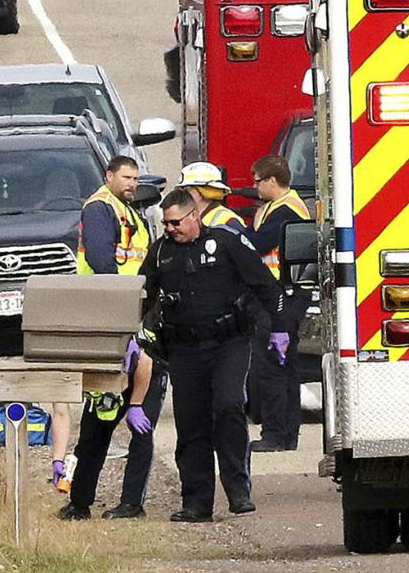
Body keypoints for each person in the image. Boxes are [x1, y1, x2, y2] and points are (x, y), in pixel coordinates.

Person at [136, 188, 288, 522]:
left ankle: (238, 490)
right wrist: (132, 335)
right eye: (166, 223)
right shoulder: (161, 252)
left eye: (176, 222)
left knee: (229, 406)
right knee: (191, 424)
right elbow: (142, 295)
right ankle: (197, 502)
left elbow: (266, 285)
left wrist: (281, 327)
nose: (170, 228)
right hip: (184, 348)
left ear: (194, 216)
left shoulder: (225, 242)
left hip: (228, 342)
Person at [62, 153, 165, 518]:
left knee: (136, 418)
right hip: (110, 319)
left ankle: (129, 503)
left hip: (132, 316)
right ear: (109, 176)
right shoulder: (100, 208)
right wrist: (123, 319)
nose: (132, 184)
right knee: (99, 418)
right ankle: (80, 501)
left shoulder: (128, 209)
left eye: (136, 178)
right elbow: (105, 264)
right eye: (126, 178)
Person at [245, 154, 311, 452]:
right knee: (284, 367)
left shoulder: (286, 212)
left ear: (272, 181)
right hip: (283, 295)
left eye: (258, 181)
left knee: (272, 366)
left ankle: (275, 434)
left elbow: (258, 244)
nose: (254, 187)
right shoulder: (277, 207)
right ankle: (285, 435)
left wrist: (237, 233)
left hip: (282, 298)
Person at [58, 340, 163, 519]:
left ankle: (132, 504)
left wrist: (136, 404)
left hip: (146, 372)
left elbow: (145, 363)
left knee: (141, 434)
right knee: (91, 436)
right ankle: (79, 504)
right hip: (109, 377)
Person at [178, 160, 245, 233]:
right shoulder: (193, 217)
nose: (182, 194)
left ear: (201, 192)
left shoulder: (229, 221)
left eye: (185, 189)